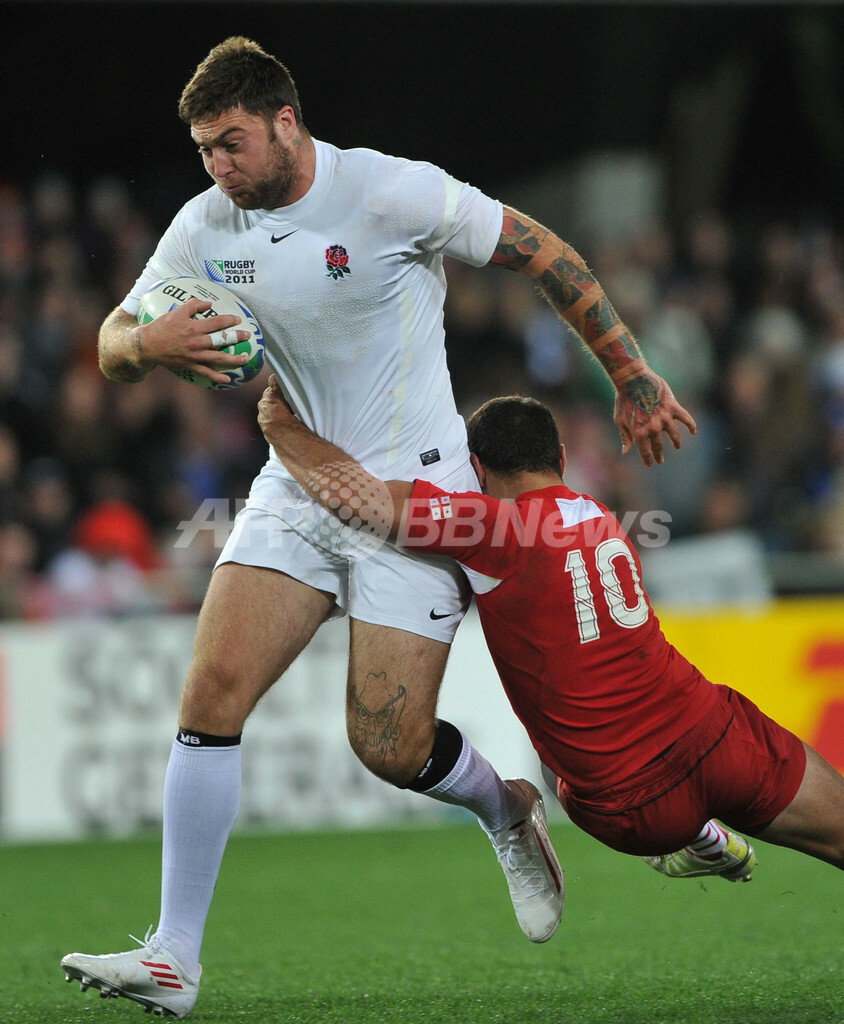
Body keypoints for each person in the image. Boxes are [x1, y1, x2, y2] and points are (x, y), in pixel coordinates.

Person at [61, 38, 695, 1018]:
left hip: (417, 499)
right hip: (298, 483)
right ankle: (172, 956)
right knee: (212, 687)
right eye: (202, 150)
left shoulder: (393, 194)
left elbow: (543, 251)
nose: (217, 167)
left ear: (284, 121)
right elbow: (109, 341)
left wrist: (631, 374)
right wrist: (147, 342)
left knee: (387, 746)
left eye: (230, 143)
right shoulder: (204, 225)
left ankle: (503, 805)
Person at [256, 385, 844, 886]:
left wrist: (281, 427)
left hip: (627, 804)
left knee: (548, 770)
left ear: (479, 470)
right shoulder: (599, 512)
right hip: (717, 737)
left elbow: (355, 501)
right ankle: (701, 830)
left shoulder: (494, 527)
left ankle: (692, 834)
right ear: (561, 456)